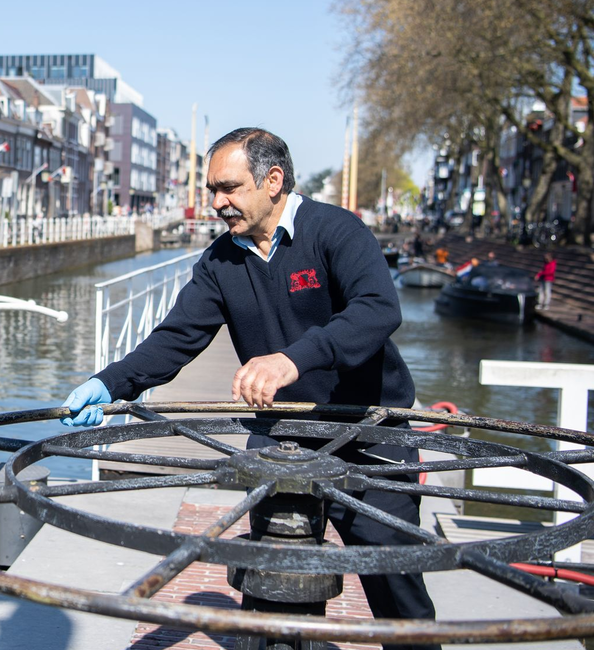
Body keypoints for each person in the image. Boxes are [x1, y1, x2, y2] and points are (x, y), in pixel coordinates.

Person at [61, 127, 438, 650]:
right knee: (269, 579)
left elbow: (377, 309)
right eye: (213, 190)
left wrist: (291, 359)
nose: (217, 203)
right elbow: (176, 339)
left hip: (368, 432)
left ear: (273, 181)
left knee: (397, 589)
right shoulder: (220, 262)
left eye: (229, 188)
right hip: (284, 435)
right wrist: (110, 383)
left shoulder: (336, 232)